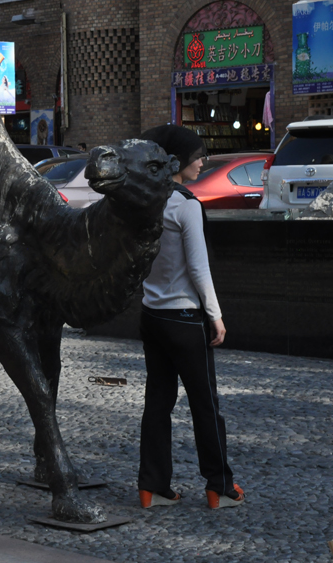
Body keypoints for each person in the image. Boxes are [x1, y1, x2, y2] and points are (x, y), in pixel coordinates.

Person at [136, 124, 244, 510]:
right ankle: (220, 487)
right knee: (205, 405)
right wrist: (215, 315)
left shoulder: (150, 201)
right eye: (197, 155)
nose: (203, 161)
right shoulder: (187, 205)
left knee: (158, 403)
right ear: (178, 162)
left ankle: (152, 486)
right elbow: (199, 271)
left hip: (152, 316)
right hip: (184, 318)